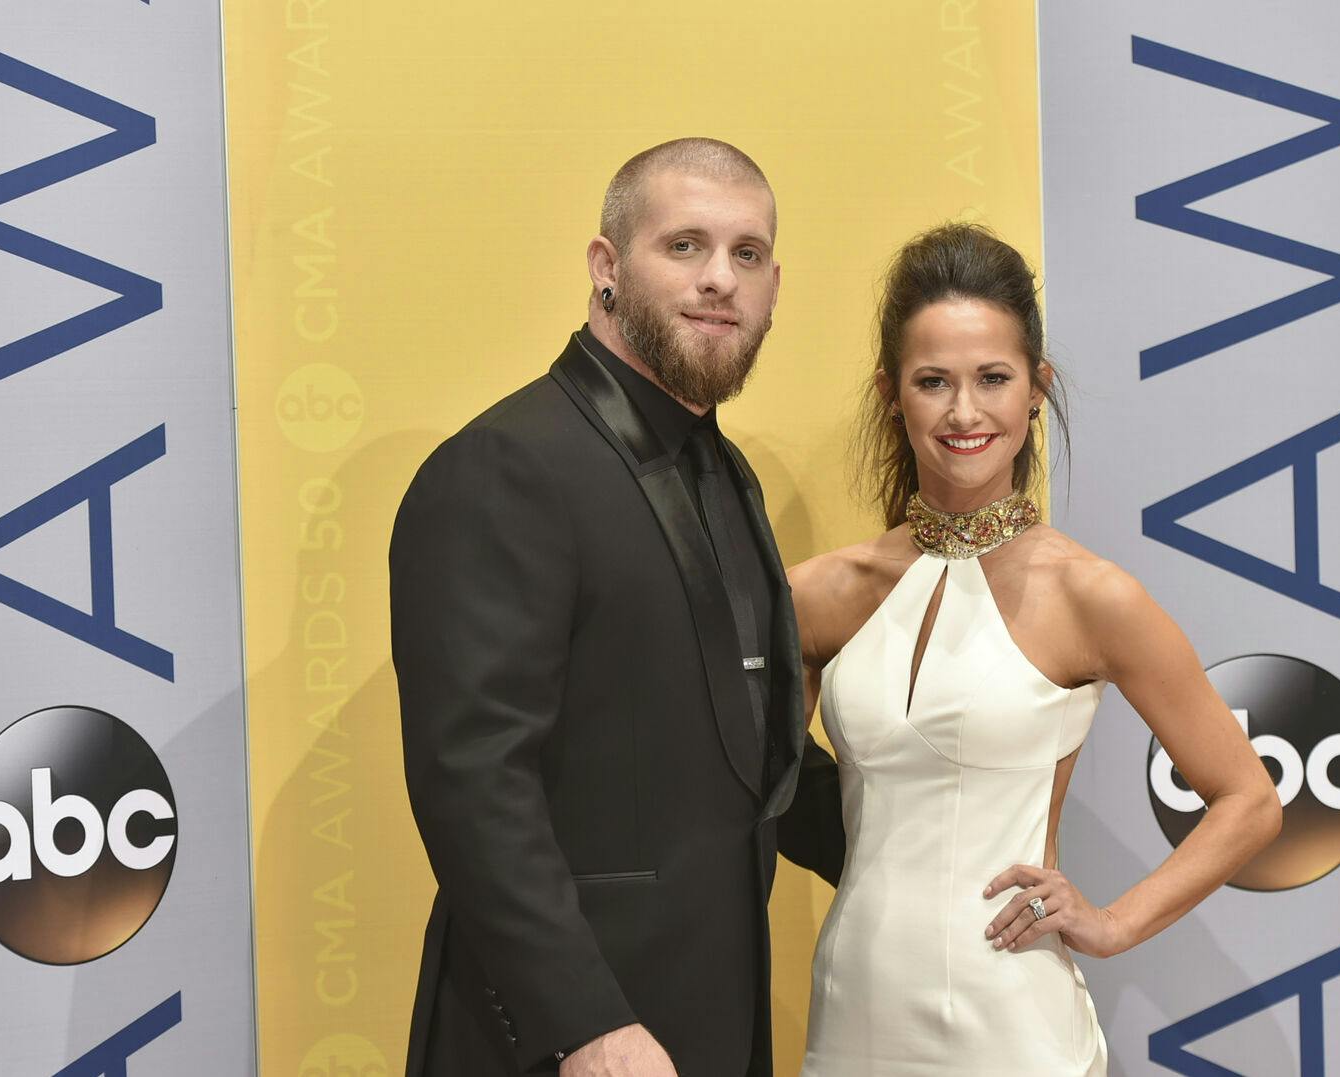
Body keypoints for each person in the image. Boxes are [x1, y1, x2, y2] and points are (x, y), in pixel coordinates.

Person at [389, 138, 845, 1077]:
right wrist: (584, 1022)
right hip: (567, 1045)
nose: (720, 278)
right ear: (607, 268)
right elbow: (474, 782)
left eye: (747, 254)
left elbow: (755, 761)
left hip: (713, 1025)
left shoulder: (728, 473)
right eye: (684, 246)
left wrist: (941, 852)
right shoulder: (504, 468)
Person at [791, 223, 1283, 1075]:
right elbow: (743, 785)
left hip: (1011, 1026)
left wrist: (1116, 920)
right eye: (933, 381)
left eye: (993, 379)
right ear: (891, 394)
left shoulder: (1091, 596)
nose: (964, 412)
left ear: (1035, 389)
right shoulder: (823, 593)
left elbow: (1250, 798)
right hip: (850, 1015)